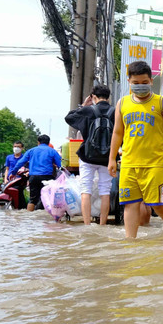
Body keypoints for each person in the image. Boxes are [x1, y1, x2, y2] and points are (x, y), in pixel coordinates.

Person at [108, 61, 163, 238]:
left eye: (144, 82)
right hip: (128, 163)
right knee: (130, 203)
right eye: (136, 83)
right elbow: (118, 132)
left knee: (158, 203)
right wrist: (112, 158)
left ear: (151, 81)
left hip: (155, 164)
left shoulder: (161, 103)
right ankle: (130, 241)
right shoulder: (122, 103)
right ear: (129, 82)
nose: (140, 86)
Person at [65, 84, 115, 226]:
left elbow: (69, 118)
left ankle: (87, 225)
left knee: (85, 189)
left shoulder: (87, 111)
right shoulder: (115, 112)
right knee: (105, 190)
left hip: (87, 156)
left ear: (93, 97)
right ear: (108, 97)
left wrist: (83, 105)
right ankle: (103, 224)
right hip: (107, 157)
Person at [10, 135, 61, 212]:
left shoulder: (31, 151)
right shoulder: (52, 151)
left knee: (32, 199)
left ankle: (29, 219)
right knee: (48, 198)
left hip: (33, 177)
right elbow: (60, 165)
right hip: (47, 178)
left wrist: (13, 172)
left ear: (38, 142)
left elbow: (20, 162)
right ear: (48, 142)